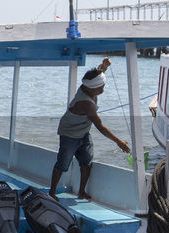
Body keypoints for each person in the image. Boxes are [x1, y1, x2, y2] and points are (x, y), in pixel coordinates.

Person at [49, 58, 131, 200]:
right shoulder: (86, 104)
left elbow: (97, 75)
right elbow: (100, 127)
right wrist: (118, 142)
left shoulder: (89, 85)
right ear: (92, 88)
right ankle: (52, 192)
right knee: (63, 163)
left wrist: (104, 66)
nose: (103, 90)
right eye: (101, 88)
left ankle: (82, 192)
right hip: (69, 133)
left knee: (87, 161)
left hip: (83, 132)